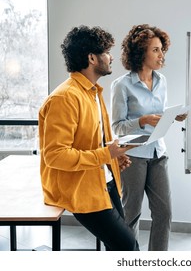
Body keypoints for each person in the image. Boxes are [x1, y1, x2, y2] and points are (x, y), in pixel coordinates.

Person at [39, 25, 139, 251]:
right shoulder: (65, 98)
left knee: (124, 246)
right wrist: (106, 154)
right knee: (128, 246)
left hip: (105, 181)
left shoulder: (93, 92)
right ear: (92, 58)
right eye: (106, 52)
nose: (111, 57)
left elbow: (91, 141)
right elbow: (55, 155)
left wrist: (112, 159)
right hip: (83, 190)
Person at [111, 24, 186, 251]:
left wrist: (172, 116)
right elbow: (117, 127)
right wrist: (142, 121)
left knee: (164, 213)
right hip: (132, 156)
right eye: (155, 50)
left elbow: (158, 118)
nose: (161, 55)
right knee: (131, 214)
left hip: (158, 153)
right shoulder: (122, 85)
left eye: (162, 49)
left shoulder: (162, 81)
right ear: (140, 52)